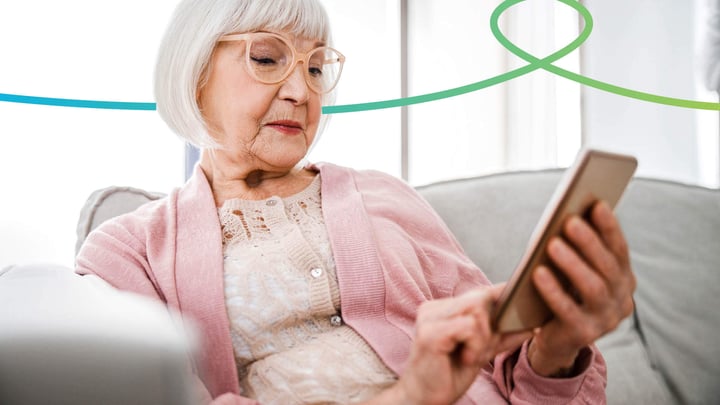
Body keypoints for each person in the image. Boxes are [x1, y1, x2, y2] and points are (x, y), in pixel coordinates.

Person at [76, 0, 636, 403]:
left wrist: (558, 349)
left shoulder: (384, 195)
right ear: (194, 71)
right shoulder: (127, 253)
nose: (301, 90)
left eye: (316, 67)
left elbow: (517, 379)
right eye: (268, 59)